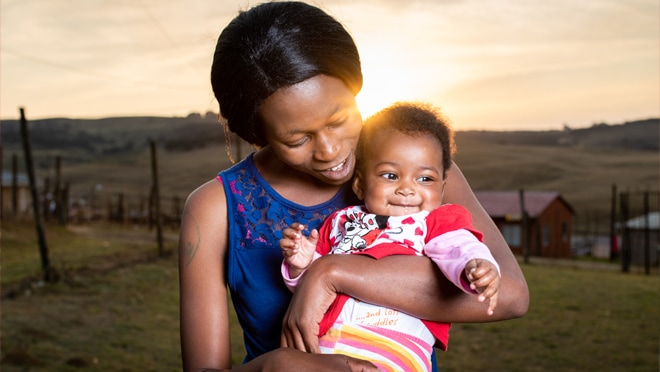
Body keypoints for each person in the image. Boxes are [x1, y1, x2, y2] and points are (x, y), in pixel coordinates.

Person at [178, 2, 529, 371]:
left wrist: (331, 273)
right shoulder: (215, 208)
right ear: (257, 134)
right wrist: (277, 365)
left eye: (339, 119)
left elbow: (510, 295)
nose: (330, 152)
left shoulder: (414, 172)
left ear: (355, 85)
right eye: (297, 140)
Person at [279, 102, 500, 371]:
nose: (407, 189)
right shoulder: (341, 221)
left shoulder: (436, 221)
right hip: (327, 345)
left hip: (397, 346)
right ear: (360, 184)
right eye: (390, 175)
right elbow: (311, 290)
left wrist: (476, 265)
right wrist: (300, 263)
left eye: (425, 179)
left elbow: (458, 248)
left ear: (443, 189)